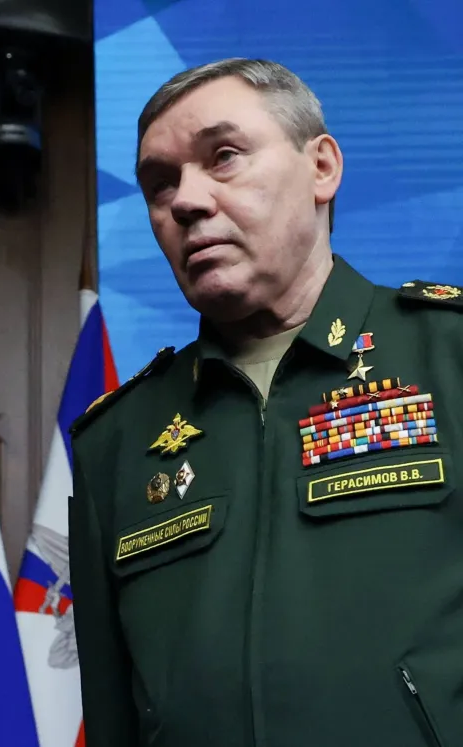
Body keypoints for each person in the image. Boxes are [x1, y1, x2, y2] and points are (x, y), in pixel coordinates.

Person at [69, 57, 463, 746]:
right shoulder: (117, 439)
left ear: (322, 169)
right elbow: (112, 715)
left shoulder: (449, 357)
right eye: (160, 184)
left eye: (223, 157)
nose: (185, 201)